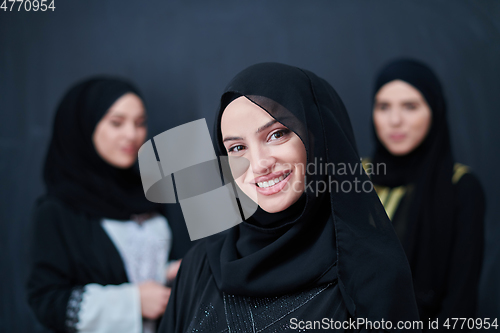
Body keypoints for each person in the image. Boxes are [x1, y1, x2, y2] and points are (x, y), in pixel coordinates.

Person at [159, 62, 420, 332]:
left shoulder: (373, 274)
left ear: (316, 137)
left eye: (276, 134)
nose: (259, 164)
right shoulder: (199, 267)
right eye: (237, 147)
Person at [27, 77, 187, 333]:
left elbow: (141, 265)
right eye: (116, 122)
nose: (132, 135)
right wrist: (132, 302)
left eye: (140, 123)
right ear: (85, 125)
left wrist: (172, 272)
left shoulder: (149, 194)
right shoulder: (57, 210)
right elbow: (46, 301)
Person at [365, 59, 485, 327]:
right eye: (384, 107)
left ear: (434, 110)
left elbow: (461, 303)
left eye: (410, 106)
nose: (395, 120)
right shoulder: (355, 175)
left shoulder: (461, 186)